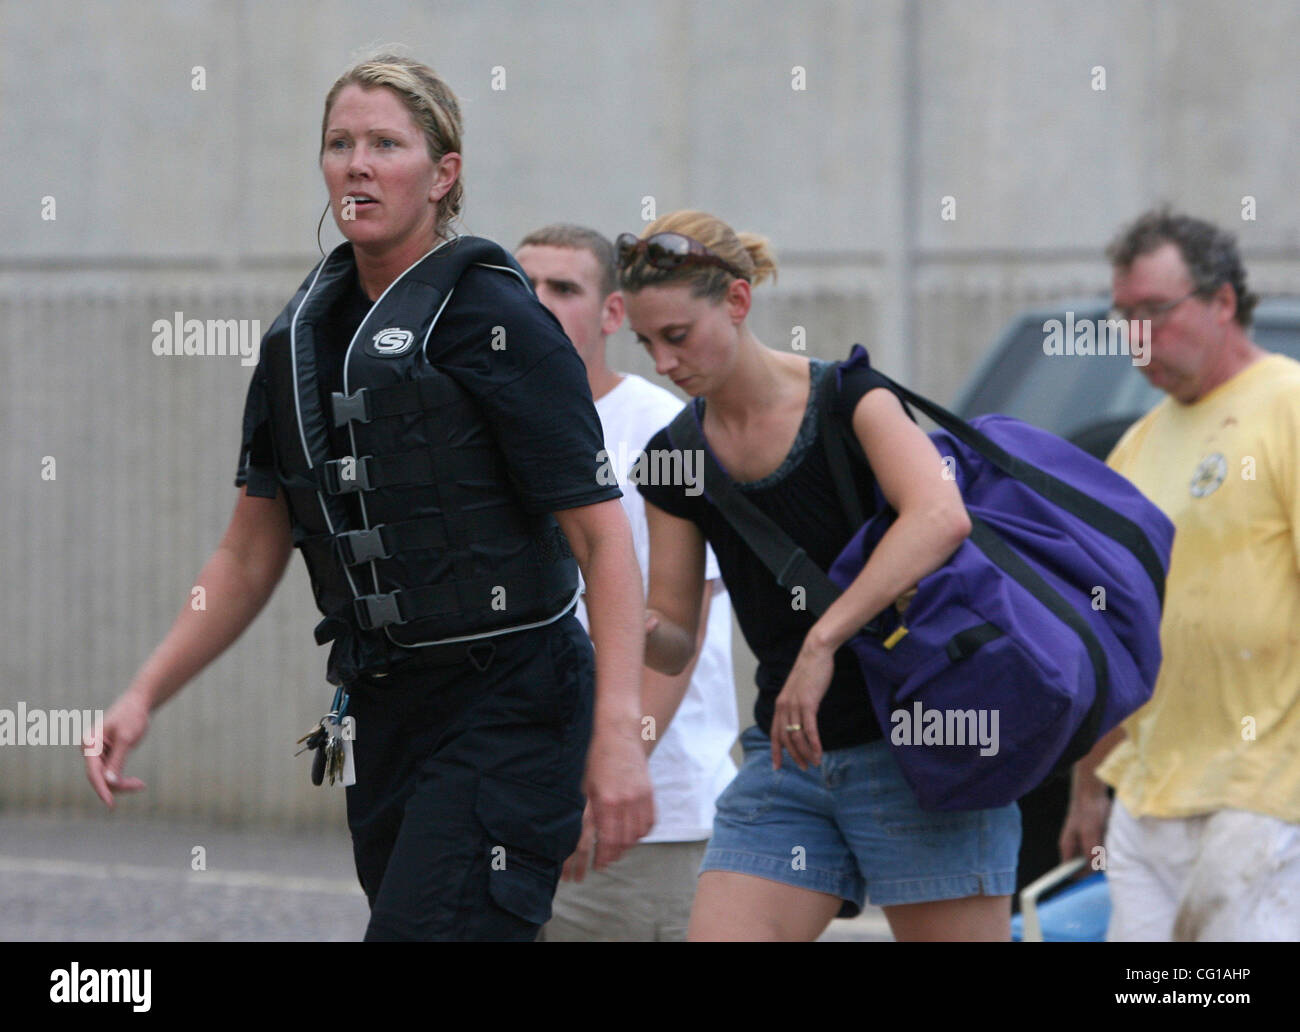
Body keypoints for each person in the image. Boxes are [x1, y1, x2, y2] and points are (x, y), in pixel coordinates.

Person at [82, 51, 653, 942]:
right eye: (340, 143)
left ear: (443, 173)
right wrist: (142, 694)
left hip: (512, 702)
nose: (357, 164)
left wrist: (619, 731)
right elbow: (246, 551)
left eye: (386, 143)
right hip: (382, 712)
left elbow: (602, 541)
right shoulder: (297, 341)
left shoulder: (497, 320)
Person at [627, 210, 1022, 941]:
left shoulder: (850, 398)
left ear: (737, 302)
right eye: (645, 343)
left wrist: (822, 644)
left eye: (676, 336)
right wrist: (635, 625)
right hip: (789, 763)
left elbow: (940, 517)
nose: (662, 363)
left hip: (921, 746)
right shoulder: (671, 457)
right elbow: (676, 636)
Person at [1059, 208, 1300, 941]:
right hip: (1150, 790)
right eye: (1123, 315)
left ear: (1222, 301)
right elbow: (1113, 629)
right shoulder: (1135, 446)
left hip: (1268, 787)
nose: (1136, 335)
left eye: (1156, 312)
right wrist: (1086, 783)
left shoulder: (1287, 405)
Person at [515, 224, 739, 941]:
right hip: (525, 811)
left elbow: (680, 631)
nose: (539, 304)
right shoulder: (495, 427)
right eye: (525, 289)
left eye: (564, 289)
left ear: (613, 314)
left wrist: (607, 778)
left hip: (643, 817)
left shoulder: (662, 430)